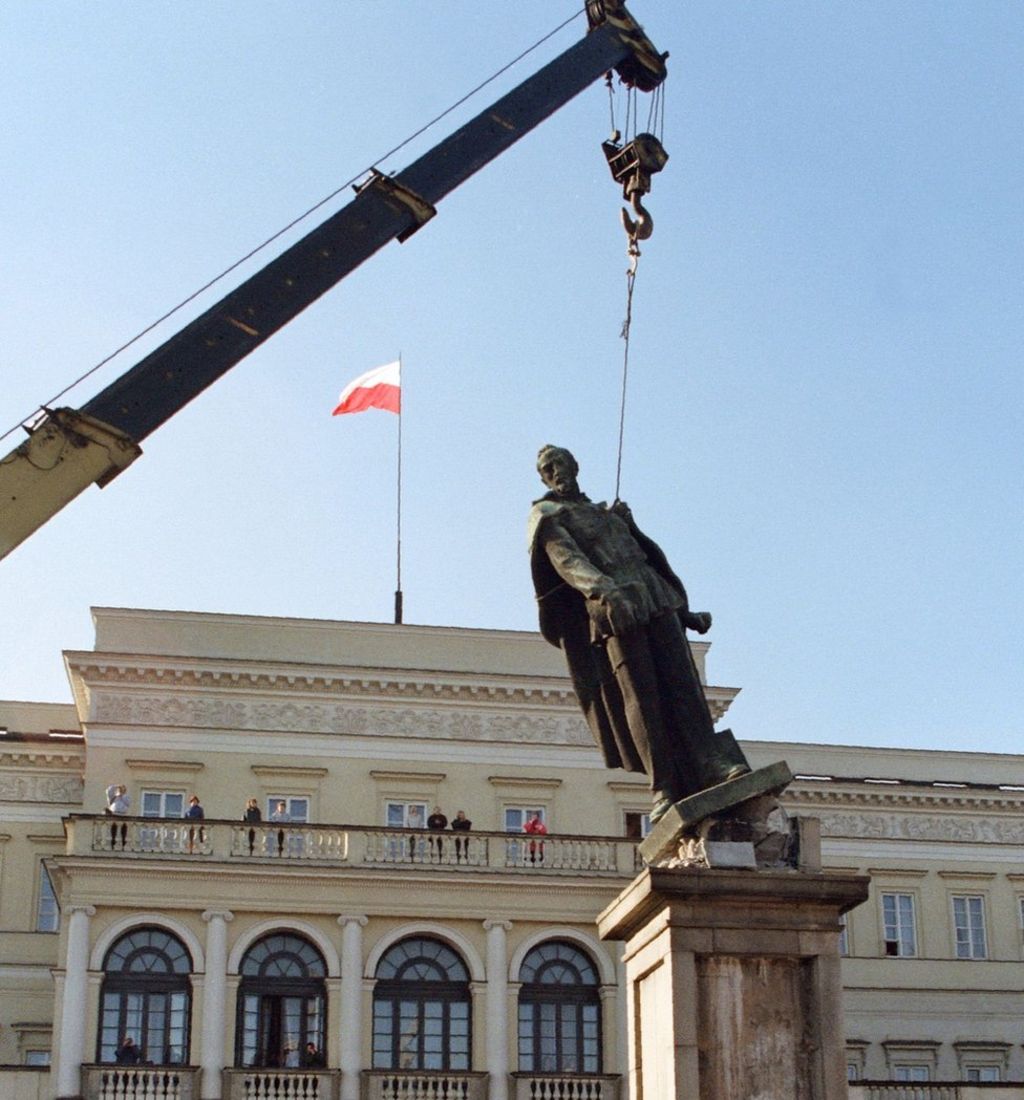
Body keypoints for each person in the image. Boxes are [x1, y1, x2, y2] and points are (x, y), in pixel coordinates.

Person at [528, 445, 750, 822]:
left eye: (560, 463)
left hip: (653, 596)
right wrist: (603, 589)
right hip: (615, 610)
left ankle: (712, 762)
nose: (556, 471)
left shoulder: (606, 513)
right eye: (548, 468)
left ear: (576, 465)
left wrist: (684, 609)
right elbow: (568, 561)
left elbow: (647, 556)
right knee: (641, 695)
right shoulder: (546, 514)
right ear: (544, 478)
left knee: (683, 685)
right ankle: (663, 785)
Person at [105, 784, 130, 849]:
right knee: (114, 828)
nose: (120, 790)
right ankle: (112, 842)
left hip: (123, 814)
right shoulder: (113, 797)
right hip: (114, 814)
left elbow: (127, 803)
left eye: (122, 789)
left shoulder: (126, 797)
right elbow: (109, 790)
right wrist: (117, 786)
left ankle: (123, 842)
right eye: (120, 789)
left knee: (123, 828)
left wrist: (122, 795)